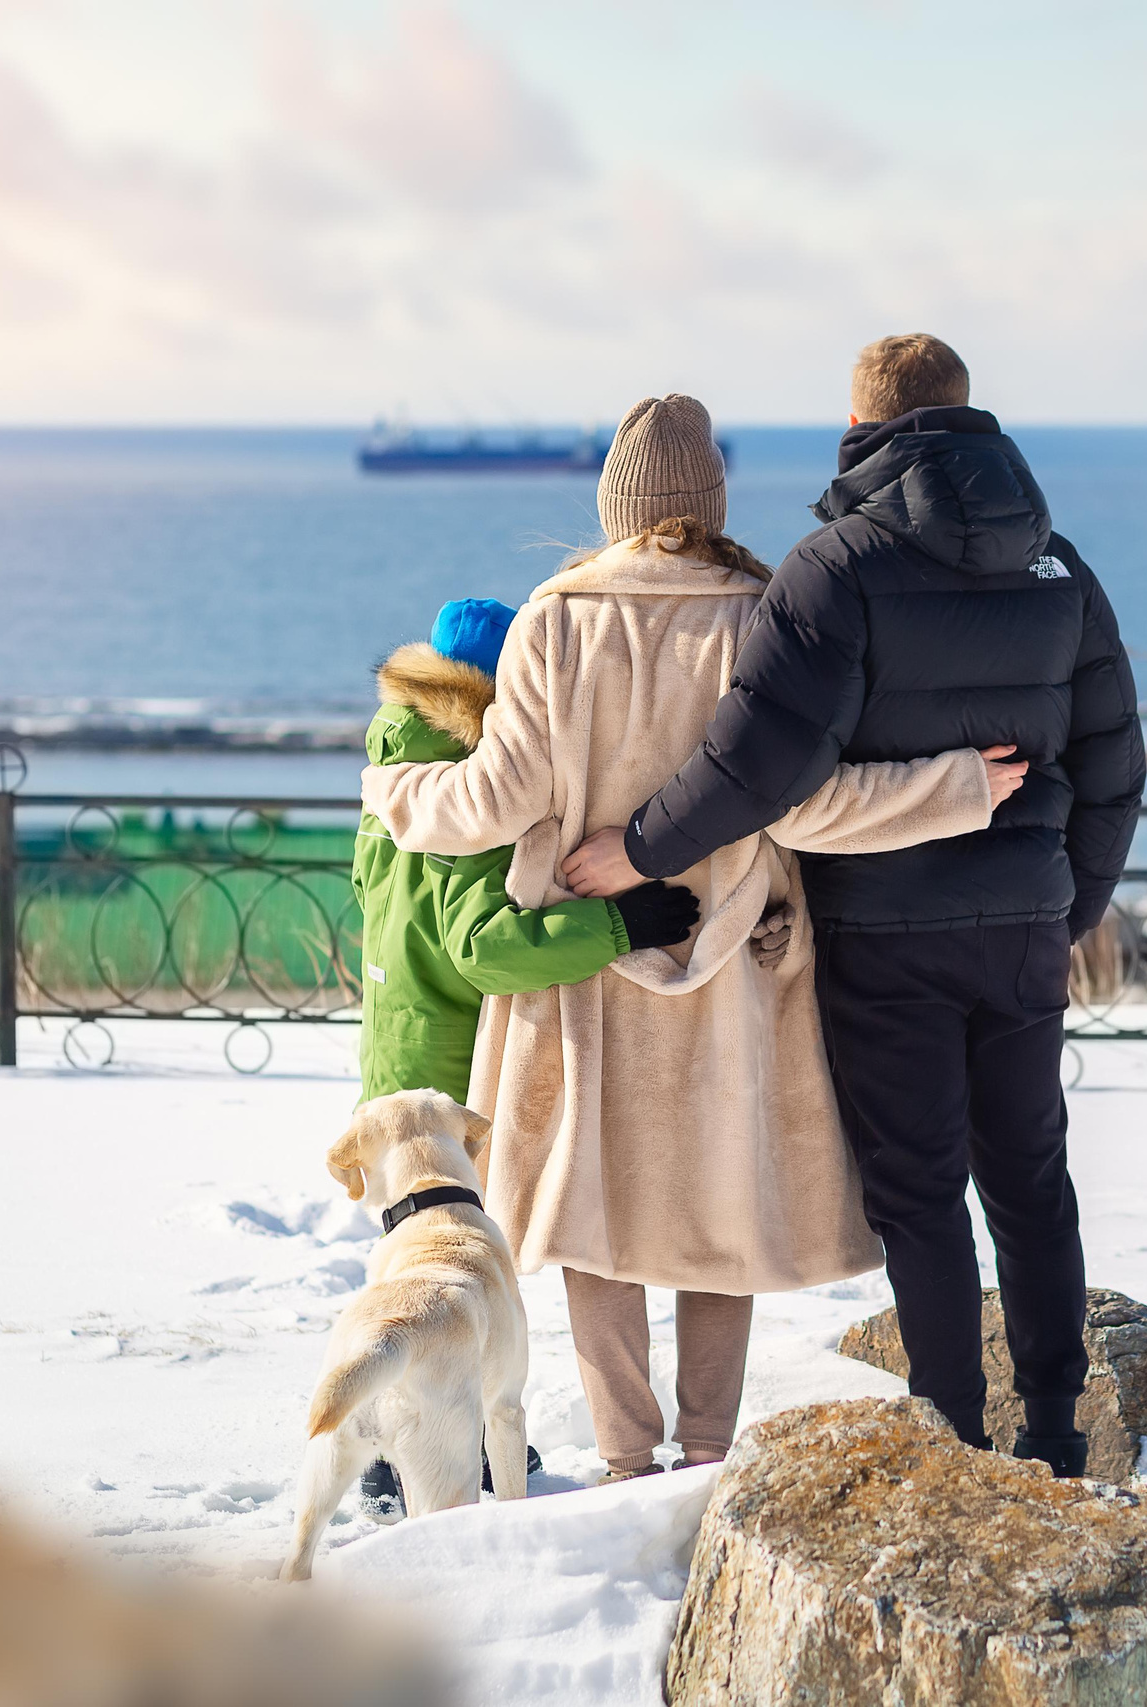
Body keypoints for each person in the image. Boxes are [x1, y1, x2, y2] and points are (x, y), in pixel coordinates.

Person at [361, 395, 1026, 1480]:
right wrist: (957, 786)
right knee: (719, 1210)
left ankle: (626, 1458)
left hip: (586, 962)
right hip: (737, 965)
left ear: (614, 504)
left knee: (592, 1217)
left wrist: (394, 791)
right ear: (711, 501)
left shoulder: (556, 618)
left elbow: (492, 799)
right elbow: (810, 805)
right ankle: (707, 1452)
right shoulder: (767, 615)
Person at [560, 336, 1144, 1478]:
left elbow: (755, 767)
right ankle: (1058, 1432)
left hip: (883, 937)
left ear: (858, 424)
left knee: (923, 1197)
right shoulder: (1060, 568)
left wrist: (637, 849)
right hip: (1022, 928)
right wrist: (1064, 906)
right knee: (1030, 1178)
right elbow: (1116, 765)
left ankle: (956, 1445)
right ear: (970, 417)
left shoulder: (834, 568)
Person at [347, 596, 700, 1509]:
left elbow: (377, 896)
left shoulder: (393, 771)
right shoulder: (463, 803)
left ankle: (399, 1439)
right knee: (448, 1266)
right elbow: (486, 945)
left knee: (409, 1261)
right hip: (443, 1070)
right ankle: (407, 1454)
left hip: (391, 1054)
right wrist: (619, 920)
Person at [352, 598, 699, 1105]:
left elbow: (367, 891)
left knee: (406, 1181)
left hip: (388, 1038)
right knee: (456, 1184)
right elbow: (484, 950)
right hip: (454, 1063)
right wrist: (618, 926)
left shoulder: (388, 786)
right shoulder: (479, 802)